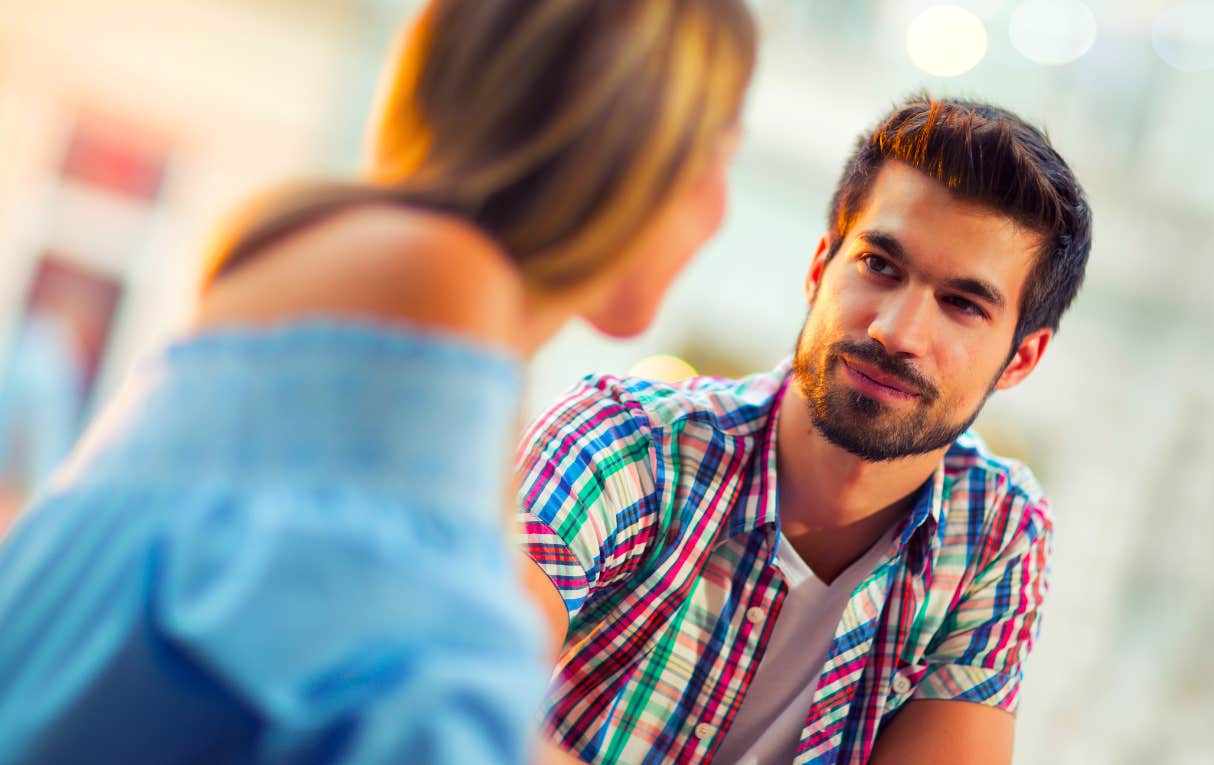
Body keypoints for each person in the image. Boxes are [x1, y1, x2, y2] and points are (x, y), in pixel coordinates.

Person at [0, 1, 754, 763]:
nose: (722, 211)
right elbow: (425, 724)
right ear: (631, 150)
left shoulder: (329, 260)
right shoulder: (437, 286)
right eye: (719, 151)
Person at [518, 94, 1094, 764]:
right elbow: (446, 702)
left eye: (962, 304)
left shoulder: (994, 528)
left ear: (1020, 358)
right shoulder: (625, 443)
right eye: (880, 265)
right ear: (820, 267)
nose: (896, 331)